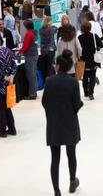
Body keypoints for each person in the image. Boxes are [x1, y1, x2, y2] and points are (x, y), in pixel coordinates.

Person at [42, 49, 83, 196]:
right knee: (71, 154)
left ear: (58, 66)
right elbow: (77, 105)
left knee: (55, 157)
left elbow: (44, 102)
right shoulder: (73, 83)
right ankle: (72, 180)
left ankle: (56, 190)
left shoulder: (49, 81)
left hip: (54, 124)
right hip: (70, 123)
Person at [78, 21, 103, 100]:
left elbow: (78, 49)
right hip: (93, 60)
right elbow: (101, 45)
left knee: (84, 76)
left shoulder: (80, 38)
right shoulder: (94, 36)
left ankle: (85, 92)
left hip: (83, 60)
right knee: (92, 76)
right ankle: (91, 93)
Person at [18, 20, 38, 100]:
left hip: (30, 56)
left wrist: (19, 52)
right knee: (33, 75)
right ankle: (34, 92)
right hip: (34, 55)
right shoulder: (34, 32)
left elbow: (26, 45)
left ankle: (32, 94)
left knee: (31, 75)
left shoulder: (29, 34)